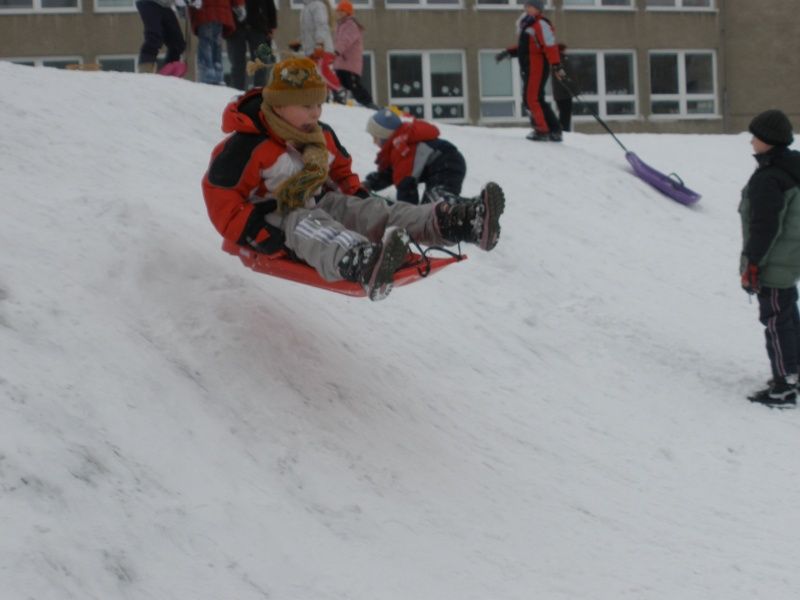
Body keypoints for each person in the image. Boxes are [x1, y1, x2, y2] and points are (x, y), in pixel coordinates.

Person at [201, 57, 506, 301]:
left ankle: (458, 222)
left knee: (373, 211)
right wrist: (256, 233)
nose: (316, 113)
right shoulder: (246, 145)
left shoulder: (321, 136)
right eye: (306, 105)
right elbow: (220, 198)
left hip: (319, 202)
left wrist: (357, 197)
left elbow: (341, 173)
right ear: (279, 105)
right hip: (271, 219)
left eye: (319, 104)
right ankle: (360, 260)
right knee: (304, 222)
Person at [739, 109, 800, 407]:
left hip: (773, 260)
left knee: (776, 321)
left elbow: (765, 226)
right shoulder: (791, 167)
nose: (751, 141)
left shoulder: (770, 177)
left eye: (756, 136)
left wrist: (753, 263)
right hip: (790, 256)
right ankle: (794, 373)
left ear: (768, 140)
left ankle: (784, 386)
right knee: (788, 316)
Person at [363, 109, 468, 205]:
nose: (374, 142)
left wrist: (406, 212)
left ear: (385, 136)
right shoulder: (401, 142)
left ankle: (469, 210)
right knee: (434, 206)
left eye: (375, 138)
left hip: (446, 164)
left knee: (436, 205)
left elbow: (406, 183)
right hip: (448, 162)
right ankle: (461, 209)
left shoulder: (402, 148)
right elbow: (391, 173)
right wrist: (370, 184)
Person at [495, 0, 564, 142]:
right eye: (526, 5)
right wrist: (508, 52)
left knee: (531, 98)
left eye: (529, 6)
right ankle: (555, 130)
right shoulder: (528, 24)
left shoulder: (541, 24)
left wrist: (556, 65)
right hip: (529, 67)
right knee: (537, 98)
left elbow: (550, 46)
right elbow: (526, 48)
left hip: (536, 67)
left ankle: (542, 130)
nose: (526, 7)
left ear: (537, 8)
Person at [332, 0, 377, 109]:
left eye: (341, 11)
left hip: (350, 63)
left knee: (353, 85)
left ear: (347, 12)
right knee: (335, 82)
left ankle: (368, 103)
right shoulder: (340, 25)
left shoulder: (351, 25)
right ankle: (339, 101)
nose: (338, 13)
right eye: (338, 11)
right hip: (341, 62)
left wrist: (336, 51)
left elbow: (346, 40)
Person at [189, 0, 245, 85]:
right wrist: (239, 5)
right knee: (216, 44)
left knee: (206, 43)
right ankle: (217, 75)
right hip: (220, 10)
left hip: (203, 8)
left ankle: (207, 75)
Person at [225, 0, 277, 90]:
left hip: (260, 25)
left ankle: (259, 91)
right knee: (237, 62)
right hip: (235, 25)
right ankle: (236, 92)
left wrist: (272, 24)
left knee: (262, 61)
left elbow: (270, 3)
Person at [135, 0, 187, 74]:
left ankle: (169, 70)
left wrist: (183, 7)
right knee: (154, 37)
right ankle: (145, 70)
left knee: (177, 43)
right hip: (149, 2)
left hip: (165, 5)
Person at [552, 43, 574, 132]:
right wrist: (569, 83)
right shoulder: (559, 60)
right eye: (565, 50)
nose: (566, 51)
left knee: (564, 113)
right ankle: (564, 130)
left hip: (562, 92)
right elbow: (562, 75)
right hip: (563, 92)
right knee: (565, 113)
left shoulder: (561, 59)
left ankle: (563, 129)